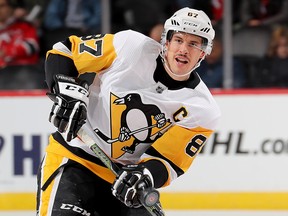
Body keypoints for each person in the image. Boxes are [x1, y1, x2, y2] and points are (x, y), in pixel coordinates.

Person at [36, 7, 221, 216]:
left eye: (194, 44)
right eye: (178, 40)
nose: (183, 49)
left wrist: (146, 175)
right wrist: (66, 91)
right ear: (166, 42)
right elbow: (65, 51)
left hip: (124, 185)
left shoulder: (203, 109)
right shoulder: (129, 46)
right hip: (74, 160)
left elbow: (168, 161)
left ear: (204, 52)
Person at [0, 0, 44, 89]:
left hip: (25, 74)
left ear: (11, 8)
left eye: (2, 6)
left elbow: (32, 46)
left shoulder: (24, 25)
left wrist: (7, 52)